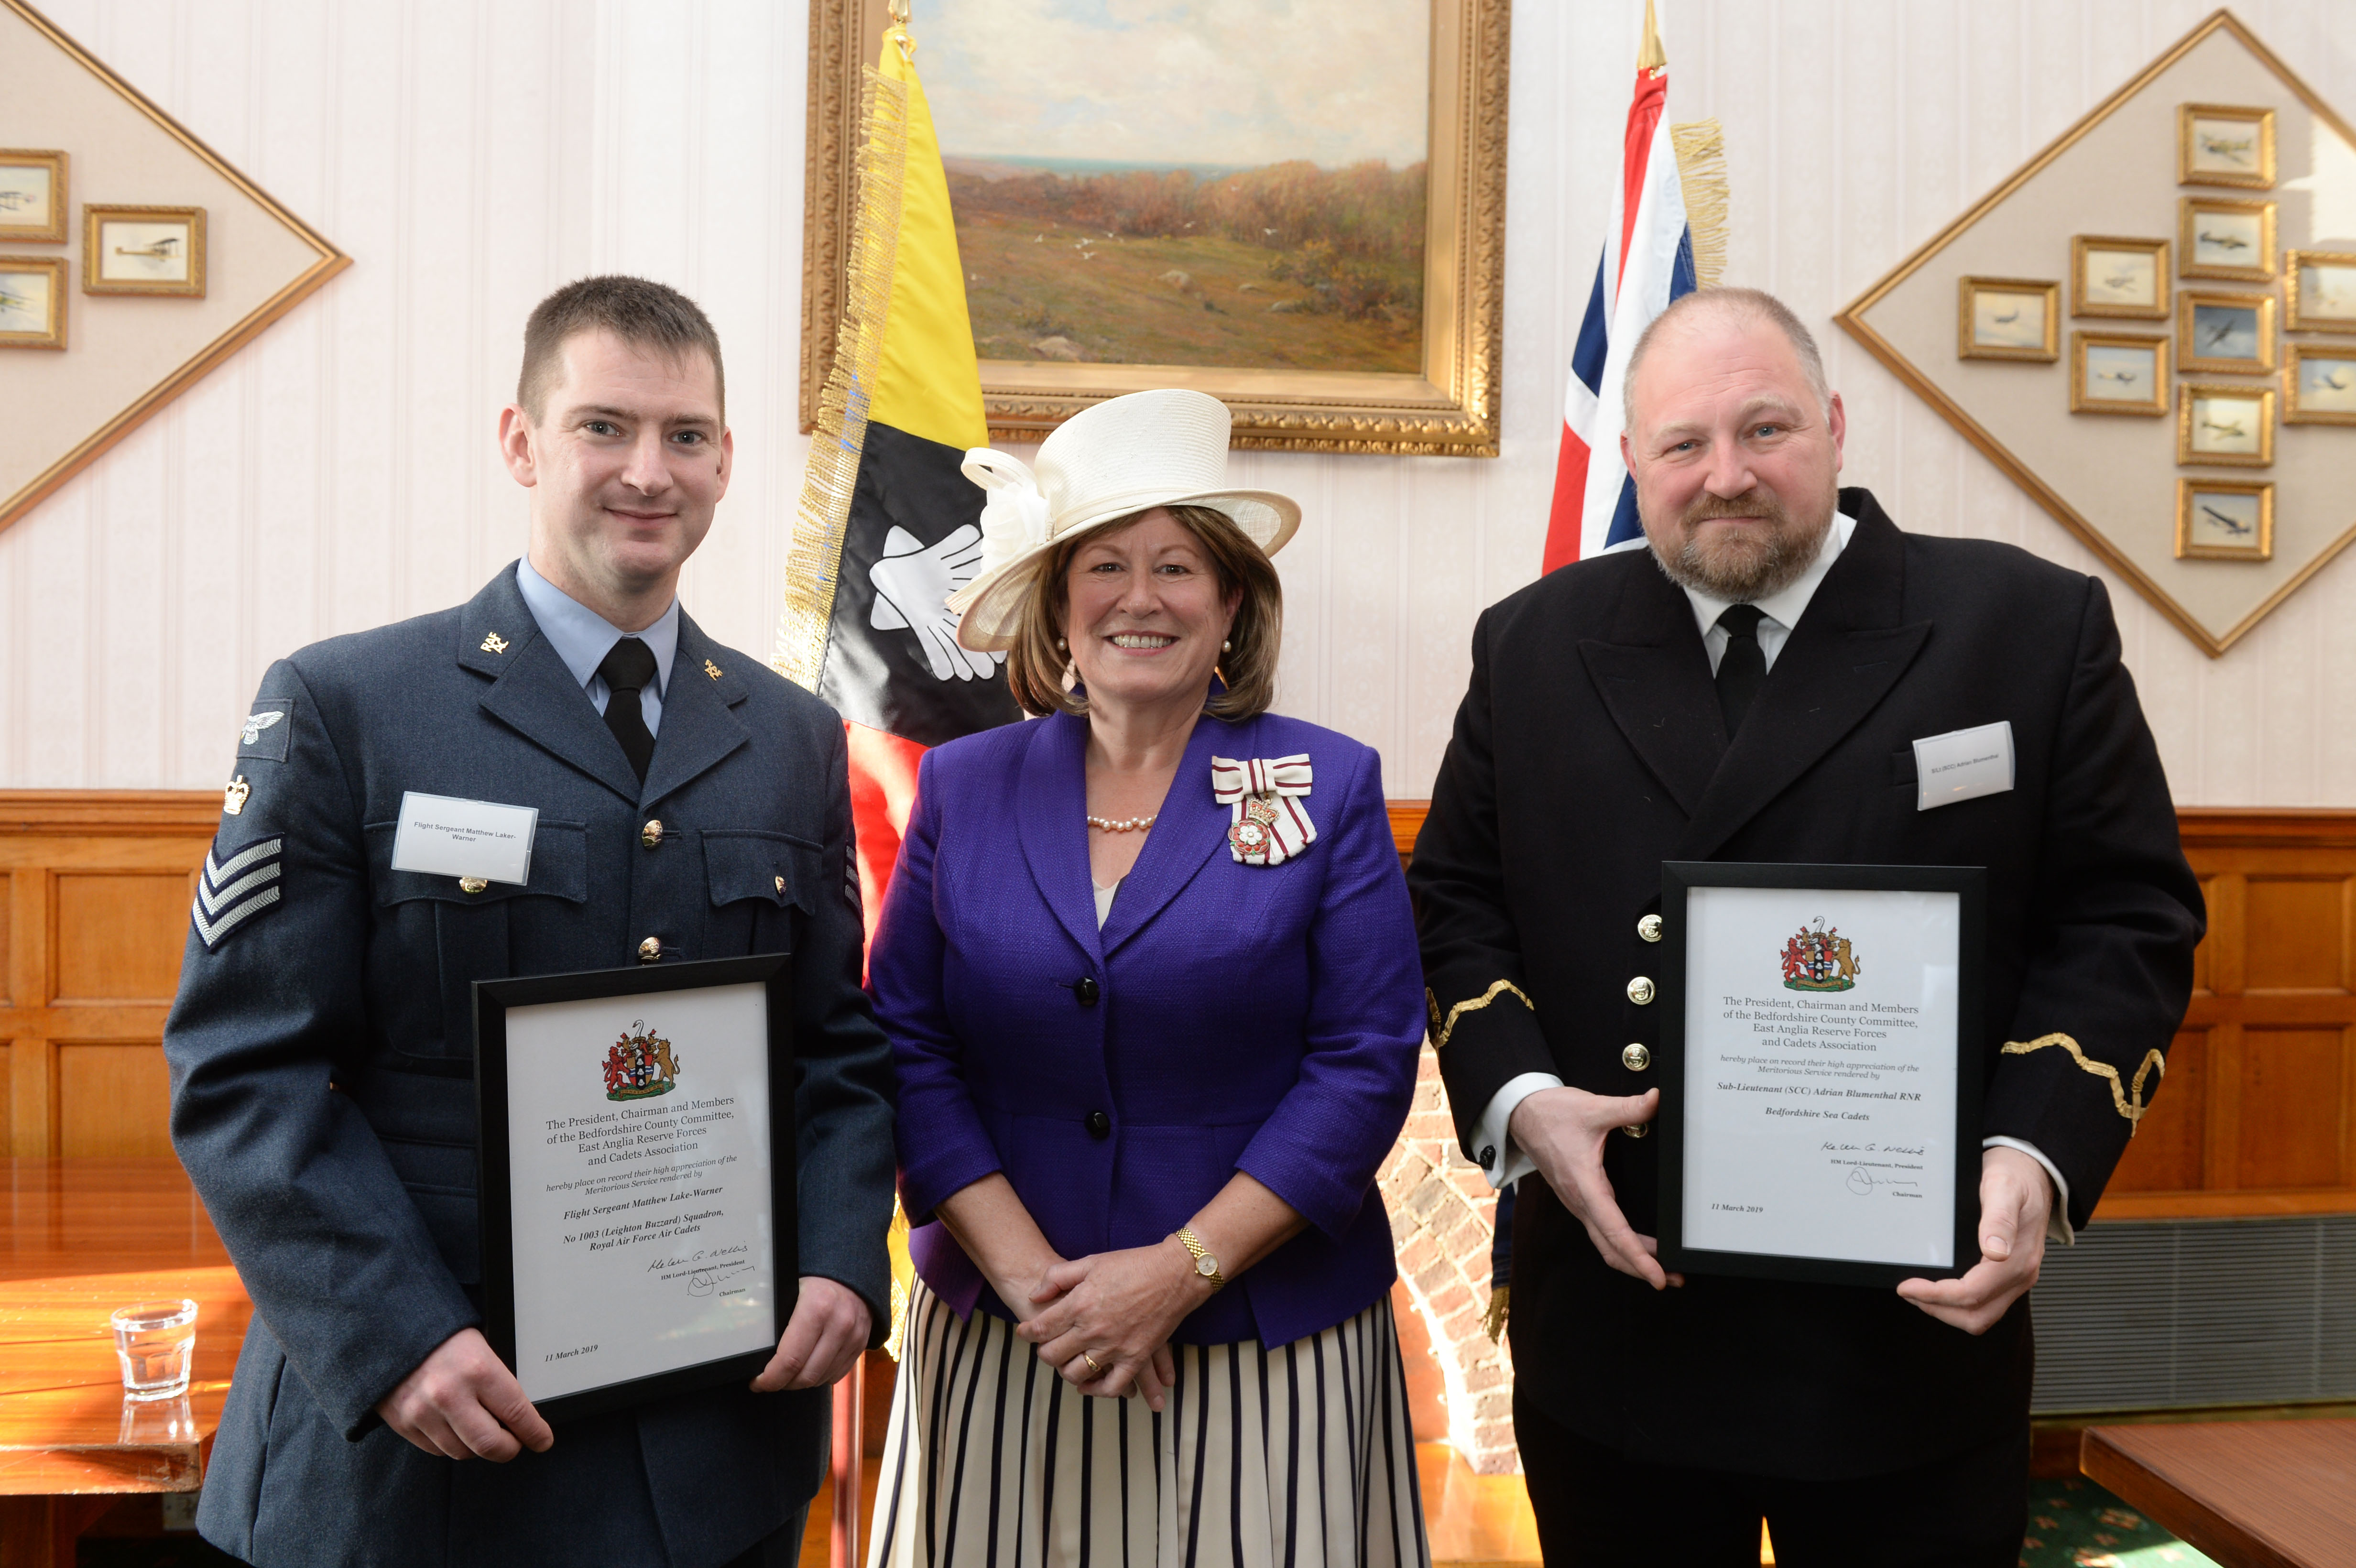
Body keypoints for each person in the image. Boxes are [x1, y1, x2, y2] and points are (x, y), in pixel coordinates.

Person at [1410, 288, 2203, 1565]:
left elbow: (2127, 915)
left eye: (1766, 430)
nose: (1726, 477)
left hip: (1907, 1338)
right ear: (1632, 463)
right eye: (1683, 445)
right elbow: (1456, 899)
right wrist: (1522, 1103)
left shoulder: (2024, 626)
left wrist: (2033, 1151)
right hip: (1624, 1327)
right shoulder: (1536, 644)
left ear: (1834, 428)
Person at [164, 276, 896, 1568]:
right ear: (522, 442)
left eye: (685, 437)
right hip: (427, 1433)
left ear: (726, 460)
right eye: (603, 426)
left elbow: (837, 1051)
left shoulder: (791, 736)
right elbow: (246, 1070)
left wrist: (841, 1260)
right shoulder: (352, 705)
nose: (647, 473)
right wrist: (395, 1336)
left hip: (706, 1457)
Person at [863, 388, 1432, 1568]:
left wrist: (1179, 1272)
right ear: (1058, 608)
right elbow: (907, 1043)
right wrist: (1034, 1282)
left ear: (1230, 603)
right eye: (1105, 566)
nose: (1140, 596)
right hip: (1012, 1329)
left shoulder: (1324, 784)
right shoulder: (965, 786)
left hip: (1263, 1333)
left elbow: (1362, 1063)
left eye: (1177, 566)